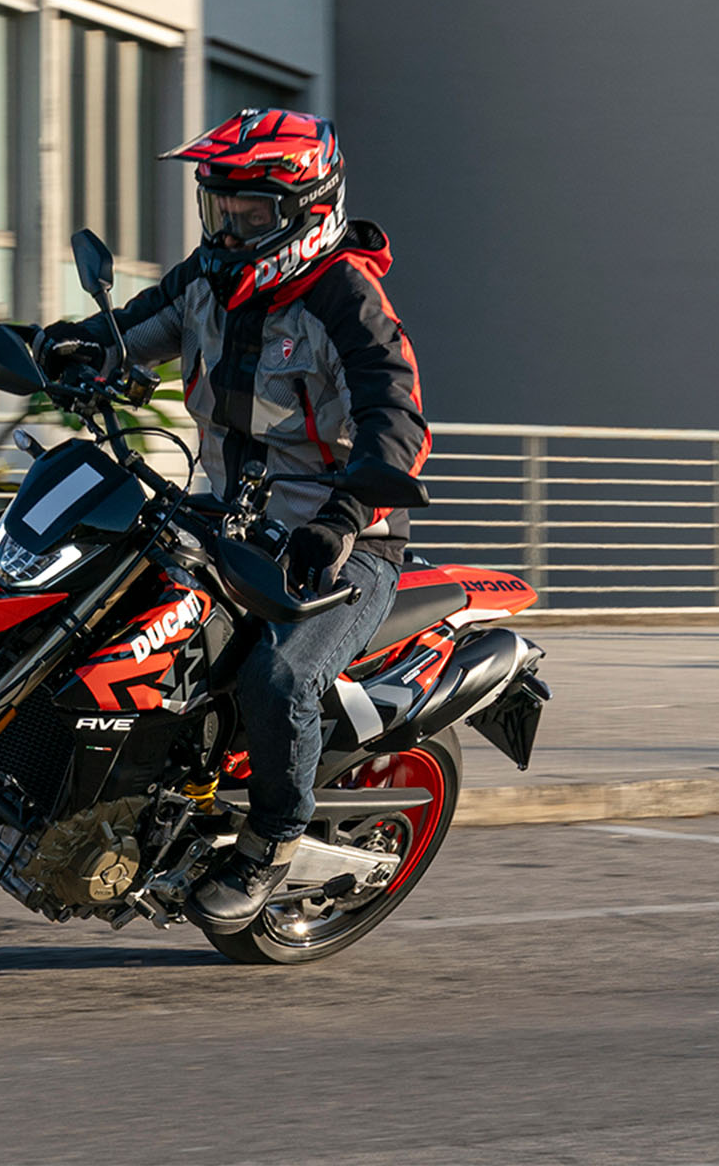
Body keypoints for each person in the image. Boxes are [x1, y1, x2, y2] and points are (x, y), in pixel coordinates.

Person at [42, 109, 430, 930]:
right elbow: (128, 334)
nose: (230, 226)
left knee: (279, 678)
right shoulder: (208, 279)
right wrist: (63, 351)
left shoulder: (346, 302)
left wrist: (346, 515)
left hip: (338, 544)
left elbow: (399, 422)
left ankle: (273, 839)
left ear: (304, 210)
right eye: (219, 207)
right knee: (102, 605)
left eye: (251, 212)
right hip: (222, 520)